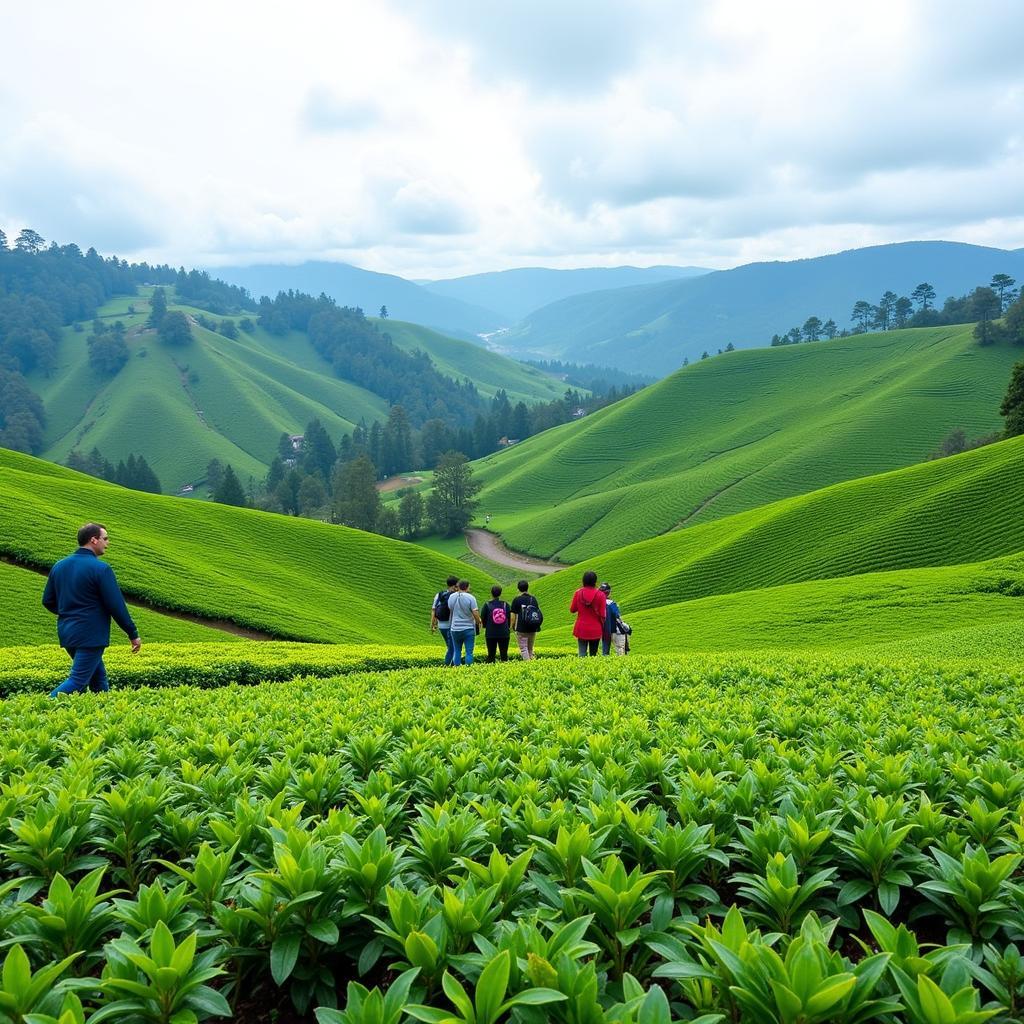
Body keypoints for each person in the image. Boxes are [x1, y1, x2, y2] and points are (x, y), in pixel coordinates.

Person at [42, 523, 142, 697]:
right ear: (93, 540)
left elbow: (48, 601)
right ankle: (40, 708)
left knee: (98, 678)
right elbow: (116, 605)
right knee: (77, 681)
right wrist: (132, 633)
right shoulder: (101, 569)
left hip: (67, 632)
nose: (107, 543)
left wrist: (70, 613)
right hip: (91, 634)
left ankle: (103, 715)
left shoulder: (59, 566)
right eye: (105, 538)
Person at [569, 569, 606, 657]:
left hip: (581, 628)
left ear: (583, 581)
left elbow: (572, 609)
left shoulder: (578, 593)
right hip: (596, 629)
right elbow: (603, 615)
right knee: (593, 655)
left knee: (582, 654)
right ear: (595, 581)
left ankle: (580, 670)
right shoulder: (601, 595)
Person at [448, 579, 482, 666]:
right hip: (468, 628)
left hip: (454, 628)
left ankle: (457, 669)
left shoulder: (451, 597)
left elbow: (450, 609)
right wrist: (479, 622)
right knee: (469, 652)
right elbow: (475, 612)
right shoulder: (471, 598)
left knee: (457, 650)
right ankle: (468, 670)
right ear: (467, 587)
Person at [430, 575, 459, 666]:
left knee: (451, 647)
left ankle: (450, 666)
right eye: (457, 586)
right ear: (454, 586)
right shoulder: (455, 596)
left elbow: (434, 610)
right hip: (451, 625)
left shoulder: (439, 594)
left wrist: (432, 624)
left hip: (441, 625)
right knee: (453, 648)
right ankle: (448, 667)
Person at [510, 579, 541, 661]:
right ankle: (533, 665)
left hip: (521, 628)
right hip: (532, 627)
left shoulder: (516, 600)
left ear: (518, 589)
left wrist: (512, 626)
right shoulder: (533, 599)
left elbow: (513, 616)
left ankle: (528, 666)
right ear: (527, 588)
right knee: (530, 649)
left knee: (524, 649)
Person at [481, 584, 511, 662]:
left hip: (491, 633)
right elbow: (509, 617)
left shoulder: (487, 605)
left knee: (491, 656)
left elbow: (483, 618)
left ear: (491, 593)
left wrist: (485, 626)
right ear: (500, 593)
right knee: (504, 655)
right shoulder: (505, 604)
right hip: (504, 633)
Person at [599, 582, 627, 656]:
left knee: (605, 652)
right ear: (609, 593)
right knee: (620, 650)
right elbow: (617, 616)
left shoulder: (597, 604)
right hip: (614, 630)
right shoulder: (611, 603)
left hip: (604, 631)